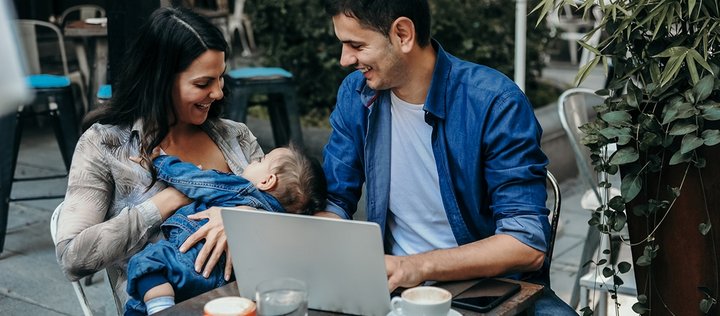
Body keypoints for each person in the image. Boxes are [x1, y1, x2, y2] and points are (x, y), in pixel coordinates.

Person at [319, 0, 576, 314]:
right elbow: (334, 199)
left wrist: (418, 266)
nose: (345, 59)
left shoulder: (495, 102)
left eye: (356, 45)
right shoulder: (357, 94)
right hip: (393, 289)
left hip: (487, 289)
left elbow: (525, 242)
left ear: (402, 34)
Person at [54, 6, 260, 309]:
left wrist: (239, 217)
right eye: (203, 83)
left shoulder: (235, 135)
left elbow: (286, 208)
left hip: (249, 298)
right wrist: (167, 201)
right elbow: (73, 257)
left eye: (220, 78)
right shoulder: (104, 146)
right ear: (160, 81)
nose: (217, 93)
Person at [125, 145, 327, 314]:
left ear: (266, 181)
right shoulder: (279, 226)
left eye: (261, 160)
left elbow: (193, 179)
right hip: (224, 286)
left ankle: (162, 310)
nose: (255, 159)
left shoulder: (241, 188)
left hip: (191, 259)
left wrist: (158, 161)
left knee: (148, 264)